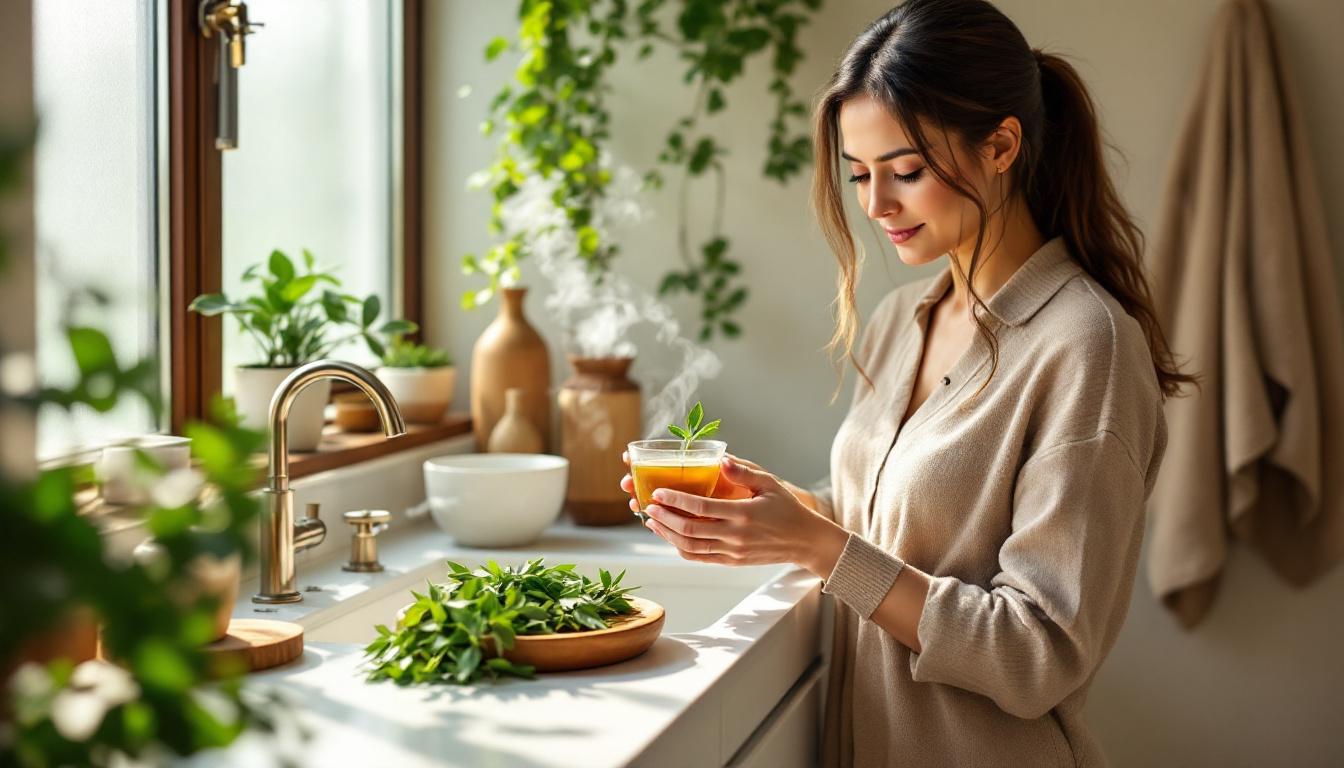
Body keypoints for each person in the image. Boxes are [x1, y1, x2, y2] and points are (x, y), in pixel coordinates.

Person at [620, 0, 1195, 765]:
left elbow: (1038, 654)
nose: (875, 205)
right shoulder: (902, 320)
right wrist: (765, 507)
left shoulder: (1086, 346)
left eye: (907, 172)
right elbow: (882, 529)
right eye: (859, 174)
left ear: (1001, 146)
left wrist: (820, 548)